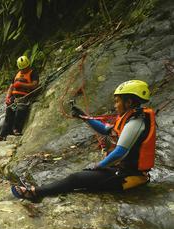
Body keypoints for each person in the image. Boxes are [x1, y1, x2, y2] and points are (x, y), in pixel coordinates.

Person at [11, 80, 155, 201]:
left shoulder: (136, 122)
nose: (115, 105)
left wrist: (99, 165)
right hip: (122, 170)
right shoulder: (129, 118)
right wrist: (84, 117)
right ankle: (38, 190)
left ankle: (35, 192)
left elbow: (120, 152)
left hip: (129, 176)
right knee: (83, 175)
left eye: (117, 101)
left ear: (128, 102)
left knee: (77, 178)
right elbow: (106, 130)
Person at [0, 55, 40, 141]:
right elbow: (11, 87)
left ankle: (16, 129)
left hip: (25, 97)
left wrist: (21, 84)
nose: (24, 70)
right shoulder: (17, 74)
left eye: (25, 68)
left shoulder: (33, 73)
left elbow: (34, 85)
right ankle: (1, 136)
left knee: (20, 109)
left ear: (28, 65)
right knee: (9, 113)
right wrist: (8, 97)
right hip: (14, 97)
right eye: (22, 69)